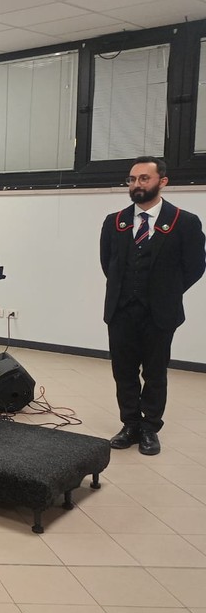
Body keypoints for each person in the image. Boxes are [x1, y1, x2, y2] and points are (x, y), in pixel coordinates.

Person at [101, 157, 205, 456]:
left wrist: (166, 291)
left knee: (155, 373)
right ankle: (130, 424)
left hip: (160, 312)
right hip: (121, 310)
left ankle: (150, 428)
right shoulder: (115, 222)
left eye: (144, 178)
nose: (137, 184)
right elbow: (108, 263)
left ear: (163, 181)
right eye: (132, 179)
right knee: (124, 372)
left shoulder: (184, 222)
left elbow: (195, 267)